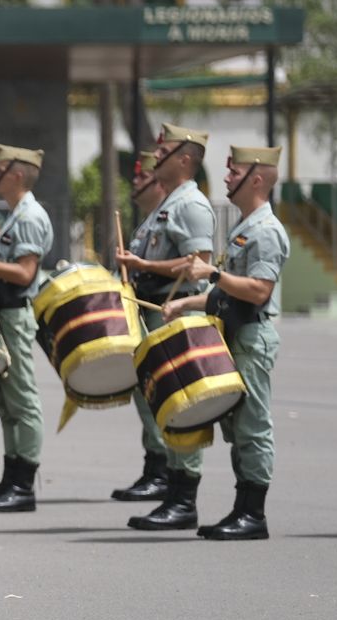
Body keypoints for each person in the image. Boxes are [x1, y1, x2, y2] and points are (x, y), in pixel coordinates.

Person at [160, 146, 288, 541]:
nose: (227, 176)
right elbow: (227, 293)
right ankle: (242, 508)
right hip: (235, 332)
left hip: (251, 336)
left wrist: (213, 273)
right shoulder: (244, 227)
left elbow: (258, 290)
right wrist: (186, 302)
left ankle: (253, 513)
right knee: (238, 427)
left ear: (257, 179)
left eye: (235, 171)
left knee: (252, 427)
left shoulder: (266, 231)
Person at [115, 124, 216, 531]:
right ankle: (172, 491)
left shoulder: (190, 204)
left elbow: (199, 262)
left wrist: (145, 266)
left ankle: (183, 499)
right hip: (156, 310)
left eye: (166, 149)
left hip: (176, 311)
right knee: (166, 406)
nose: (157, 155)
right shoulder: (167, 204)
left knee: (183, 405)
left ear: (186, 160)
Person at [0, 145, 54, 513]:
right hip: (2, 311)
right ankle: (11, 478)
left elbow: (25, 272)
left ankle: (23, 482)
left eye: (1, 169)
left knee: (21, 398)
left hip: (17, 311)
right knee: (5, 401)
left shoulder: (29, 217)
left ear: (18, 175)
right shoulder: (14, 216)